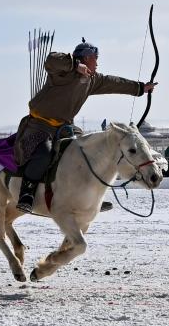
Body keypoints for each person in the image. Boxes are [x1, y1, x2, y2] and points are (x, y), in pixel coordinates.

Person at [13, 39, 157, 213]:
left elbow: (114, 82)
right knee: (43, 152)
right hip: (39, 125)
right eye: (95, 58)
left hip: (65, 126)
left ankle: (88, 199)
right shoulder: (62, 72)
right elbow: (51, 59)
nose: (97, 62)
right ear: (86, 58)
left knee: (86, 151)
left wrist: (141, 88)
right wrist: (74, 65)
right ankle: (26, 194)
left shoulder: (92, 79)